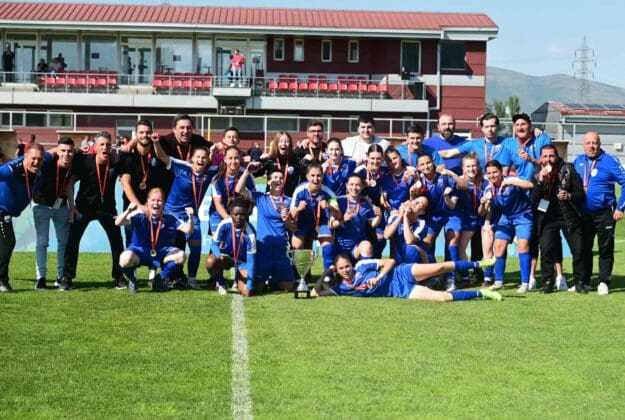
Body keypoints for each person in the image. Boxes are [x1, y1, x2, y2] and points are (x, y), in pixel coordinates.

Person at [58, 132, 126, 291]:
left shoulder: (116, 161)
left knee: (117, 241)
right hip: (83, 208)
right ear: (95, 147)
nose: (105, 148)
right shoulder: (84, 161)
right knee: (72, 240)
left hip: (107, 208)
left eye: (108, 145)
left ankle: (119, 277)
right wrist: (72, 206)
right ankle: (67, 278)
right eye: (101, 144)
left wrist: (118, 153)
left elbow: (129, 154)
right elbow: (70, 182)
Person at [153, 133, 216, 290]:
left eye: (204, 157)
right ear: (192, 158)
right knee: (169, 248)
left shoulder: (210, 173)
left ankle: (192, 279)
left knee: (196, 248)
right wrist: (156, 142)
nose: (201, 160)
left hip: (191, 216)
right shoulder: (182, 167)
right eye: (198, 157)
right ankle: (163, 277)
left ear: (208, 160)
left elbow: (230, 165)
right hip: (171, 215)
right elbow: (162, 156)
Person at [311, 254, 501, 302]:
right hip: (399, 290)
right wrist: (327, 272)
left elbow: (390, 261)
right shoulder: (342, 289)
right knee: (442, 298)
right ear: (338, 270)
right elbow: (314, 293)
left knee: (439, 267)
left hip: (400, 273)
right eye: (341, 268)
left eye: (347, 266)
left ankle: (479, 263)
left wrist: (379, 277)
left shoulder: (361, 265)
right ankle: (482, 294)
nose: (346, 270)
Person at [573, 132, 625, 295]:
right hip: (583, 214)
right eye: (588, 143)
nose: (591, 146)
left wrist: (620, 208)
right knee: (584, 248)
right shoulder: (578, 161)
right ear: (583, 145)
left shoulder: (610, 161)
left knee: (605, 248)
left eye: (594, 143)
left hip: (604, 213)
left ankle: (603, 281)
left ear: (600, 144)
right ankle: (585, 281)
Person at [115, 188, 194, 294]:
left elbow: (188, 230)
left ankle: (160, 278)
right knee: (124, 259)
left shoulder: (169, 216)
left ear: (164, 203)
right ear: (147, 201)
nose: (156, 203)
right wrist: (128, 211)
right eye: (153, 200)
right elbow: (118, 223)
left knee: (181, 256)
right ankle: (132, 280)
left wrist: (191, 218)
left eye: (159, 200)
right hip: (139, 251)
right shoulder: (139, 214)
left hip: (161, 252)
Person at [530, 144, 585, 293]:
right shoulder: (537, 174)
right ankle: (547, 282)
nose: (548, 159)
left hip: (568, 217)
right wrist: (540, 181)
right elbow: (533, 200)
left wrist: (569, 195)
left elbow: (581, 193)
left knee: (578, 250)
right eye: (545, 156)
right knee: (546, 249)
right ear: (541, 158)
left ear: (557, 156)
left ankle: (580, 282)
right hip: (547, 218)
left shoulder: (568, 169)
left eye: (551, 156)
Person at [236, 166, 297, 292]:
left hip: (281, 248)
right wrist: (247, 172)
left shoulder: (289, 201)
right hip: (263, 247)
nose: (278, 180)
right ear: (269, 182)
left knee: (288, 287)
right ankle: (258, 279)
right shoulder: (261, 198)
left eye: (281, 178)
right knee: (258, 288)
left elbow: (294, 228)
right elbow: (239, 190)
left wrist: (287, 220)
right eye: (275, 177)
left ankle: (273, 280)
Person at [481, 160, 534, 293]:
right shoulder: (489, 188)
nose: (492, 175)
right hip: (506, 217)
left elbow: (530, 185)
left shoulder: (511, 180)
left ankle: (525, 283)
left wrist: (511, 182)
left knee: (522, 245)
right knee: (498, 246)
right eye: (489, 173)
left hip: (523, 215)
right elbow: (483, 211)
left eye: (495, 172)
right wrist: (483, 204)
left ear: (500, 172)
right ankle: (498, 281)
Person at [32, 137, 77, 290]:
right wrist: (53, 151)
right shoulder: (47, 161)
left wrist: (72, 207)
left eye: (70, 151)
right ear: (57, 151)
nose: (66, 154)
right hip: (41, 205)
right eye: (63, 150)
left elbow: (70, 185)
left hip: (61, 206)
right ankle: (41, 278)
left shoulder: (76, 162)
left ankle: (61, 277)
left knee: (63, 242)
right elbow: (37, 155)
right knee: (42, 242)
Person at [0, 144, 44, 293]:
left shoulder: (41, 165)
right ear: (25, 156)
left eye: (40, 159)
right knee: (8, 242)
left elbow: (53, 152)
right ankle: (1, 281)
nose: (36, 162)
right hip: (1, 211)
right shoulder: (10, 170)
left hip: (7, 213)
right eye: (33, 159)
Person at [118, 120, 170, 247]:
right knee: (132, 242)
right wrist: (140, 206)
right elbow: (125, 184)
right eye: (141, 132)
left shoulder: (159, 152)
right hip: (132, 206)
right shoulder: (126, 155)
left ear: (152, 133)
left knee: (155, 242)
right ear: (136, 134)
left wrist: (150, 205)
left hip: (154, 206)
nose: (144, 135)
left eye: (147, 132)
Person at [290, 163, 342, 269]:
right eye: (312, 175)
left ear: (322, 176)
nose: (316, 179)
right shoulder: (299, 191)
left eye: (319, 175)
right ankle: (299, 276)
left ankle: (328, 276)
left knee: (328, 247)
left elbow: (339, 214)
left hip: (322, 223)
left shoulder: (329, 193)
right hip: (303, 222)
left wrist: (329, 206)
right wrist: (299, 209)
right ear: (307, 176)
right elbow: (292, 216)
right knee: (296, 245)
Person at [206, 197, 257, 296]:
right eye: (236, 214)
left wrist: (249, 285)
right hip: (227, 258)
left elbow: (251, 261)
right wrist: (219, 255)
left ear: (246, 214)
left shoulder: (251, 234)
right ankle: (222, 283)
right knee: (210, 262)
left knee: (247, 292)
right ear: (230, 213)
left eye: (242, 214)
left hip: (243, 262)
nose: (239, 217)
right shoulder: (224, 224)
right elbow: (214, 245)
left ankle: (239, 278)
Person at [329, 174, 381, 261]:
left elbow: (372, 224)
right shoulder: (337, 200)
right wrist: (343, 220)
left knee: (367, 245)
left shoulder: (366, 202)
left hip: (357, 247)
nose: (354, 188)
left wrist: (379, 216)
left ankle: (364, 269)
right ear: (347, 185)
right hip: (341, 247)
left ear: (362, 187)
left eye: (357, 185)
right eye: (351, 184)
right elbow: (331, 225)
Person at [437, 113, 511, 172]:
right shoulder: (474, 144)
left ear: (498, 127)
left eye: (492, 126)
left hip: (501, 183)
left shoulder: (508, 143)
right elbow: (448, 153)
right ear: (482, 128)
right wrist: (431, 154)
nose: (490, 130)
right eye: (486, 127)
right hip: (481, 183)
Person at [209, 146, 256, 235]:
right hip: (218, 214)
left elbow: (253, 198)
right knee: (218, 241)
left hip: (239, 215)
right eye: (230, 158)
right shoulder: (217, 178)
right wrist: (229, 220)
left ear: (240, 159)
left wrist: (246, 213)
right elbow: (218, 205)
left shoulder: (246, 174)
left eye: (236, 158)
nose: (233, 161)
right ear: (225, 159)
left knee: (240, 241)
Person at [384, 197, 429, 265]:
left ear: (422, 212)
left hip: (414, 260)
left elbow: (409, 241)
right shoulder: (394, 218)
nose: (416, 203)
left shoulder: (422, 223)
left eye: (420, 204)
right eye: (415, 200)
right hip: (397, 259)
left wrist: (405, 217)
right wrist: (400, 216)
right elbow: (386, 236)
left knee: (410, 249)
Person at [255, 131, 301, 197]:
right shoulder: (270, 159)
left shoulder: (295, 160)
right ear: (276, 143)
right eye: (281, 141)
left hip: (290, 198)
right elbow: (256, 174)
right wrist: (260, 160)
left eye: (287, 141)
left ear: (290, 144)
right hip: (272, 198)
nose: (284, 144)